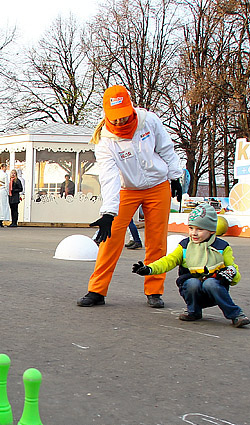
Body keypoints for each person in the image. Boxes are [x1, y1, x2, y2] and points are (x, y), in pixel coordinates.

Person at [77, 85, 182, 308]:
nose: (119, 123)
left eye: (123, 118)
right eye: (114, 119)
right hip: (127, 189)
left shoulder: (149, 121)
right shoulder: (105, 142)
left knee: (156, 240)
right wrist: (108, 212)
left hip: (157, 186)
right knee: (111, 237)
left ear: (130, 108)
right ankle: (97, 290)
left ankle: (154, 290)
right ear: (106, 114)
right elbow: (109, 178)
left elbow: (166, 148)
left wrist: (175, 177)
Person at [132, 204, 250, 327]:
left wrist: (231, 274)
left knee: (211, 283)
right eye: (191, 228)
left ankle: (236, 315)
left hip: (215, 290)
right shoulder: (184, 246)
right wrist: (149, 269)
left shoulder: (222, 247)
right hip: (191, 290)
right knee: (192, 283)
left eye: (199, 229)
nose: (194, 233)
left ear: (211, 230)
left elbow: (233, 269)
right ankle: (193, 311)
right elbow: (168, 261)